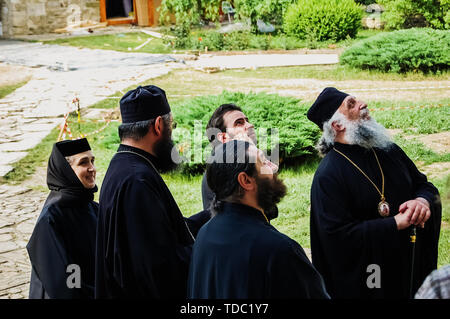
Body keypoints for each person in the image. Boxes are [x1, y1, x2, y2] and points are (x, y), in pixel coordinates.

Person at [307, 87, 442, 299]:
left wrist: (422, 201)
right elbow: (336, 238)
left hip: (410, 264)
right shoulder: (328, 176)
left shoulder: (388, 150)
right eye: (351, 104)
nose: (363, 104)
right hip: (370, 281)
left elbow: (424, 185)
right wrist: (395, 223)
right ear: (337, 125)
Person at [95, 85, 208, 299]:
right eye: (171, 126)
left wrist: (213, 214)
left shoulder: (124, 165)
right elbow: (159, 266)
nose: (171, 133)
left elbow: (163, 231)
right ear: (158, 126)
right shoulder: (137, 180)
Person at [187, 140, 330, 299]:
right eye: (264, 162)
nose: (273, 167)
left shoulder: (204, 235)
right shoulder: (279, 250)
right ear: (246, 181)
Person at [27, 138, 98, 299]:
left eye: (92, 161)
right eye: (83, 163)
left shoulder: (94, 209)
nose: (92, 168)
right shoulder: (51, 219)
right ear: (65, 170)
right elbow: (64, 282)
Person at [202, 104, 278, 220]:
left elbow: (271, 210)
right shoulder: (219, 174)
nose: (250, 125)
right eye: (239, 123)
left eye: (247, 121)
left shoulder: (243, 162)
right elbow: (269, 211)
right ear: (223, 138)